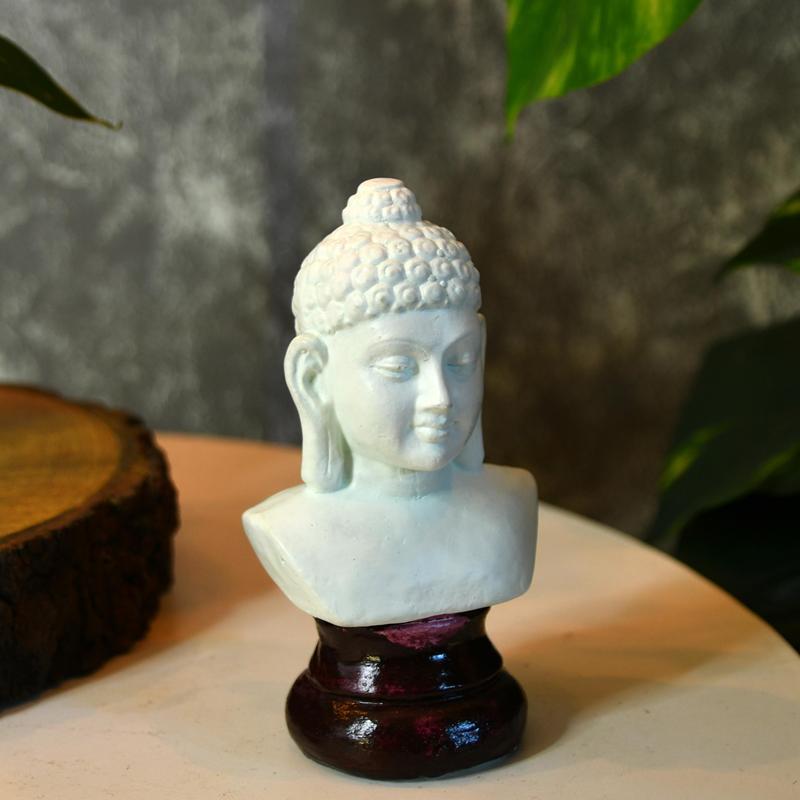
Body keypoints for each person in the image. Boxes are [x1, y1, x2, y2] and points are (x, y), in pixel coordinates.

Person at [242, 178, 537, 627]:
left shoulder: (510, 505)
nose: (440, 398)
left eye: (460, 361)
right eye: (399, 367)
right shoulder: (290, 531)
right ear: (313, 378)